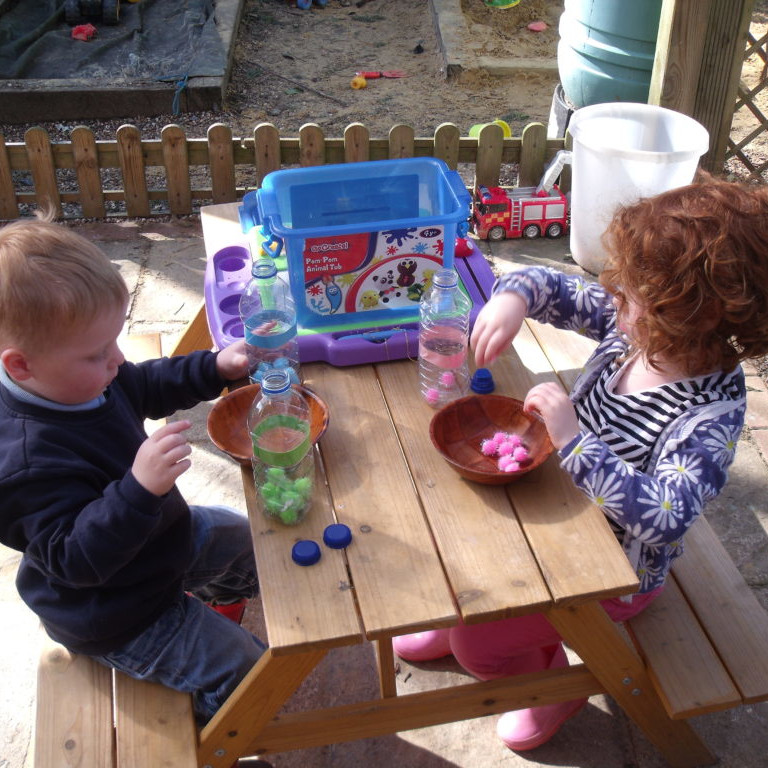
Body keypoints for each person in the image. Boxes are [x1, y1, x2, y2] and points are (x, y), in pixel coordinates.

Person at [394, 175, 768, 752]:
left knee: (479, 650)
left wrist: (573, 440)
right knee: (459, 548)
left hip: (614, 573)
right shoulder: (638, 330)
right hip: (561, 507)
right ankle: (469, 624)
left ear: (693, 313)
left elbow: (666, 517)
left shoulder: (708, 414)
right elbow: (554, 287)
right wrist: (514, 298)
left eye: (630, 292)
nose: (611, 294)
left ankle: (550, 685)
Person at [0, 215, 265, 726]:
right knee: (248, 670)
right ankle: (217, 735)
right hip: (116, 611)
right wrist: (139, 490)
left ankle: (219, 608)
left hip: (157, 545)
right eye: (97, 353)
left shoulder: (82, 380)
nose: (117, 360)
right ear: (20, 366)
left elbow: (142, 385)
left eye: (115, 342)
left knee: (245, 541)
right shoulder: (24, 465)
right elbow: (76, 560)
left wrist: (213, 367)